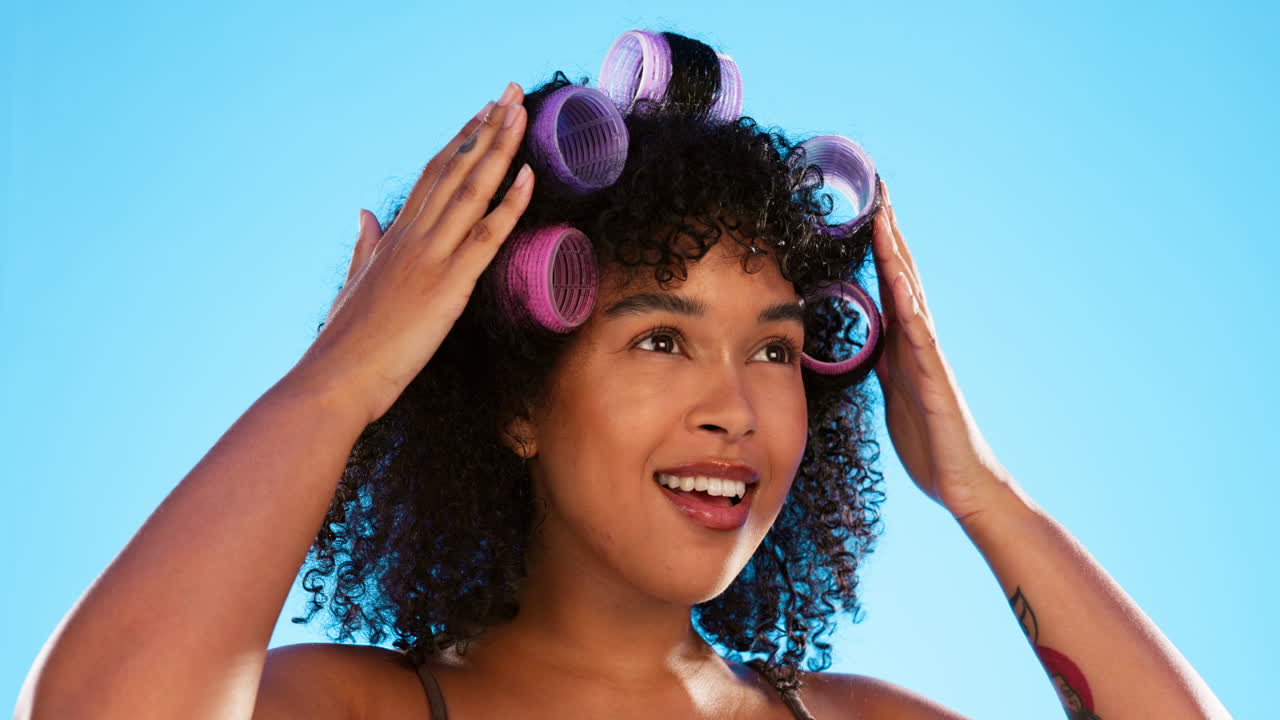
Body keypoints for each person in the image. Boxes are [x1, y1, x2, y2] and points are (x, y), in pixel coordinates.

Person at [16, 31, 1228, 720]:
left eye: (771, 347)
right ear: (514, 403)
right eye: (661, 338)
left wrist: (978, 489)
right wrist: (337, 388)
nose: (735, 406)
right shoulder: (357, 713)